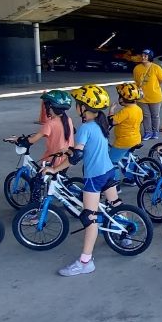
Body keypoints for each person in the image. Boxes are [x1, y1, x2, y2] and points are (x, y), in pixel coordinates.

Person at [46, 84, 121, 277]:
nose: (76, 107)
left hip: (94, 176)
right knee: (115, 204)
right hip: (108, 171)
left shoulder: (86, 128)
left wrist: (54, 168)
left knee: (89, 217)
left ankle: (85, 261)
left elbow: (76, 158)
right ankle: (124, 234)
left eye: (78, 104)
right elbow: (86, 149)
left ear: (83, 107)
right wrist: (70, 150)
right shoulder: (101, 124)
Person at [8, 90, 75, 163]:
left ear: (50, 107)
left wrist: (18, 139)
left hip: (53, 160)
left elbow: (31, 140)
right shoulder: (69, 120)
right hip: (66, 160)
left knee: (40, 173)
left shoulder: (50, 124)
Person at [109, 82, 144, 174]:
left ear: (122, 98)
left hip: (124, 141)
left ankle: (114, 185)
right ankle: (131, 178)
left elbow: (112, 121)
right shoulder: (138, 109)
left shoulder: (126, 111)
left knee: (111, 162)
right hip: (136, 139)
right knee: (127, 158)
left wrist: (111, 110)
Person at [132, 49, 162, 139]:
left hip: (155, 96)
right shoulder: (137, 68)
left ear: (150, 57)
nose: (143, 57)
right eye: (142, 55)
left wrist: (153, 86)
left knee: (155, 115)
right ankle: (148, 132)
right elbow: (136, 81)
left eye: (145, 56)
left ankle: (155, 132)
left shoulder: (156, 68)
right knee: (145, 116)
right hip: (142, 97)